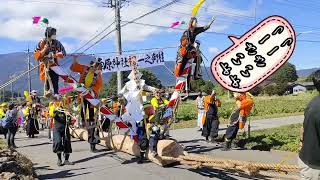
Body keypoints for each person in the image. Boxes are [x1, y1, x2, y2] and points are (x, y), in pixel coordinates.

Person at [70, 55, 103, 153]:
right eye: (95, 66)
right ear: (92, 66)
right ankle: (84, 122)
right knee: (85, 116)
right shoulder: (84, 69)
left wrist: (91, 90)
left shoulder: (98, 76)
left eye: (98, 68)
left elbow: (98, 86)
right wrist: (75, 60)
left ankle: (92, 143)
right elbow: (73, 67)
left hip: (92, 98)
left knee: (92, 120)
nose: (96, 69)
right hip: (83, 96)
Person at [299, 70, 320, 179]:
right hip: (315, 166)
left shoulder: (312, 102)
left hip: (308, 160)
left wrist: (301, 142)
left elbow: (302, 128)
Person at [34, 27, 66, 97]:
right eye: (54, 33)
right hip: (45, 64)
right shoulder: (41, 42)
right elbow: (36, 55)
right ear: (49, 34)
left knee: (55, 78)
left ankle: (56, 93)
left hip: (54, 63)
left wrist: (54, 55)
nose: (55, 35)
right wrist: (44, 49)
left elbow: (64, 53)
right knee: (47, 77)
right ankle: (47, 91)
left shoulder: (57, 43)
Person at [51, 96, 74, 166]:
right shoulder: (53, 107)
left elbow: (70, 120)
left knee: (67, 142)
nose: (61, 102)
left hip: (65, 127)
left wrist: (68, 117)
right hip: (57, 128)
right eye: (59, 100)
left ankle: (66, 160)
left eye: (62, 101)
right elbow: (51, 114)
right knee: (58, 142)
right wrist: (55, 110)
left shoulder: (66, 109)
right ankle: (59, 159)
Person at [148, 90, 170, 157]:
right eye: (157, 93)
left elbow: (169, 103)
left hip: (163, 120)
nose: (158, 94)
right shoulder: (153, 100)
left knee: (165, 135)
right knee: (155, 135)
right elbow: (156, 106)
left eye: (159, 93)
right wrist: (165, 105)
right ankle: (153, 150)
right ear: (154, 94)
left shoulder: (163, 99)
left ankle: (166, 150)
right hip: (155, 120)